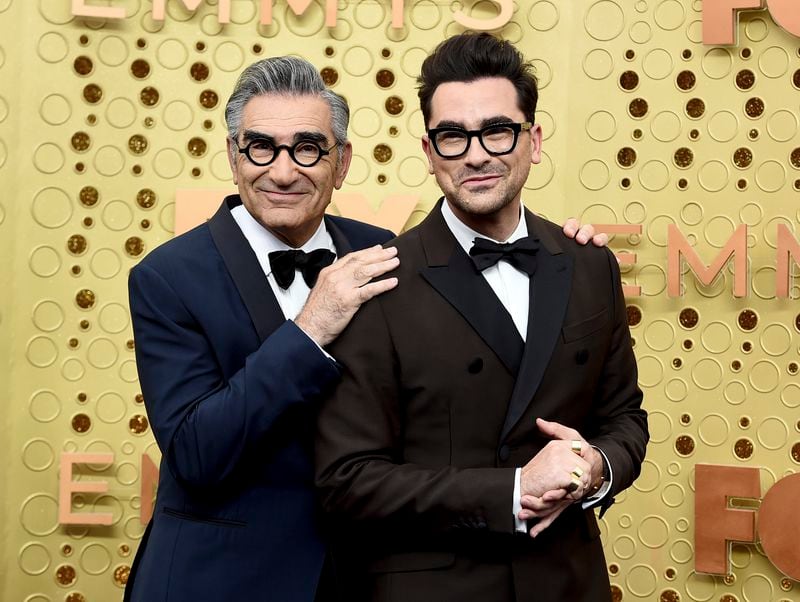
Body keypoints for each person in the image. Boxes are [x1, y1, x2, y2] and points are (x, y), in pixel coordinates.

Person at [124, 55, 606, 602]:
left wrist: (563, 254)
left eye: (308, 148)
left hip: (373, 575)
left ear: (343, 161)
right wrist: (308, 330)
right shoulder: (168, 277)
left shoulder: (384, 251)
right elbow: (195, 453)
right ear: (235, 157)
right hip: (224, 580)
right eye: (261, 147)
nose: (284, 171)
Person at [315, 33, 648, 602]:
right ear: (428, 151)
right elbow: (348, 480)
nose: (476, 154)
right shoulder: (377, 283)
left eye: (497, 130)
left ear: (534, 140)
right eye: (453, 136)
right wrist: (512, 490)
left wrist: (595, 466)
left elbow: (625, 421)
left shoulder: (591, 266)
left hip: (566, 582)